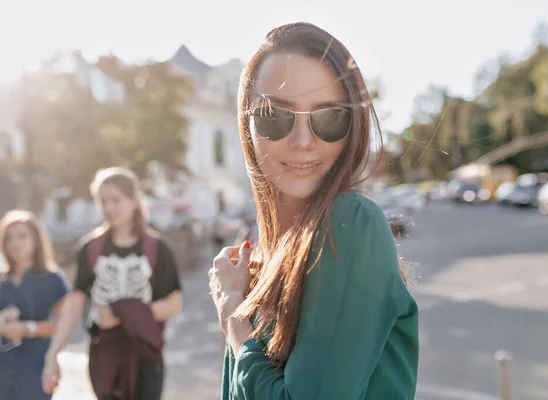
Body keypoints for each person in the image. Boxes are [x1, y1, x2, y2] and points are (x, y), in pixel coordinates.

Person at [209, 22, 419, 400]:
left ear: (352, 125)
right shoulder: (263, 259)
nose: (303, 141)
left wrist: (234, 317)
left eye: (329, 117)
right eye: (275, 115)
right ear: (247, 123)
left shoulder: (351, 221)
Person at [42, 167, 183, 400]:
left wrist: (121, 313)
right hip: (104, 355)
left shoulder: (158, 249)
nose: (108, 208)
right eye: (103, 201)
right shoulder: (90, 248)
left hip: (146, 354)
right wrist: (52, 355)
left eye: (116, 200)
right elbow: (74, 307)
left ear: (134, 200)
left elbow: (173, 304)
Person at [0, 210, 69, 400]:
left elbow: (63, 324)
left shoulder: (53, 279)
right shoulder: (2, 281)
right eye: (10, 237)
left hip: (35, 367)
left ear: (36, 239)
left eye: (22, 236)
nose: (16, 243)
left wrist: (27, 328)